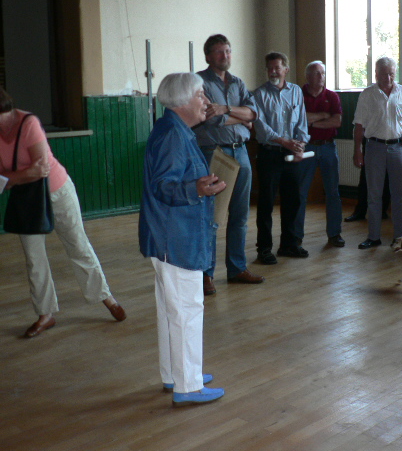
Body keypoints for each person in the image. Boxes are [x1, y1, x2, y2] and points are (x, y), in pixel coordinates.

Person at [0, 85, 126, 338]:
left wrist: (10, 179)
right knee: (34, 258)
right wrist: (17, 177)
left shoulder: (28, 123)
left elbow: (41, 170)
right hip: (27, 199)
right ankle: (45, 314)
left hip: (57, 191)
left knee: (78, 245)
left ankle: (106, 297)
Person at [139, 73, 226, 406]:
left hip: (168, 235)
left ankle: (175, 374)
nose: (205, 101)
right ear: (183, 101)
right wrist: (197, 188)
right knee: (187, 309)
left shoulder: (174, 130)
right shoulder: (173, 135)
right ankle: (188, 385)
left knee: (170, 309)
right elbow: (164, 185)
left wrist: (199, 184)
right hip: (175, 236)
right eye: (201, 95)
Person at [194, 34, 264, 295]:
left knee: (240, 215)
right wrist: (239, 116)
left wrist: (225, 109)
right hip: (214, 153)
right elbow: (209, 119)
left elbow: (254, 115)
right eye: (219, 52)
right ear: (208, 56)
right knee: (212, 215)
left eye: (228, 51)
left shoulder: (237, 82)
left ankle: (236, 269)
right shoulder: (199, 82)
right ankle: (205, 274)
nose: (225, 56)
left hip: (241, 152)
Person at [352, 56, 402, 249]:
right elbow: (359, 126)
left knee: (400, 196)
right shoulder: (367, 95)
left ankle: (401, 237)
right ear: (376, 74)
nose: (388, 78)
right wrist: (357, 150)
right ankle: (373, 237)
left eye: (391, 74)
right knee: (374, 195)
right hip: (374, 148)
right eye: (383, 74)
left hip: (399, 149)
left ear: (395, 73)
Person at [253, 52, 309, 264]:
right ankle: (264, 249)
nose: (273, 72)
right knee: (266, 203)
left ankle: (289, 245)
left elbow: (302, 121)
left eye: (277, 68)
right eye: (270, 68)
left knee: (292, 200)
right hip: (269, 153)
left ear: (286, 69)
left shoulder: (296, 92)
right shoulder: (258, 95)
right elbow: (261, 127)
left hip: (292, 154)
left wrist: (300, 145)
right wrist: (284, 142)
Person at [295, 60, 344, 247]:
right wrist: (324, 115)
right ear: (308, 76)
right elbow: (299, 120)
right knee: (301, 192)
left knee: (332, 192)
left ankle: (334, 234)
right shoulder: (298, 94)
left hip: (328, 147)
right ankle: (296, 236)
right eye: (316, 73)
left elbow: (337, 122)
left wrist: (311, 123)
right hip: (305, 147)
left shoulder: (332, 96)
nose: (321, 77)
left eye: (322, 73)